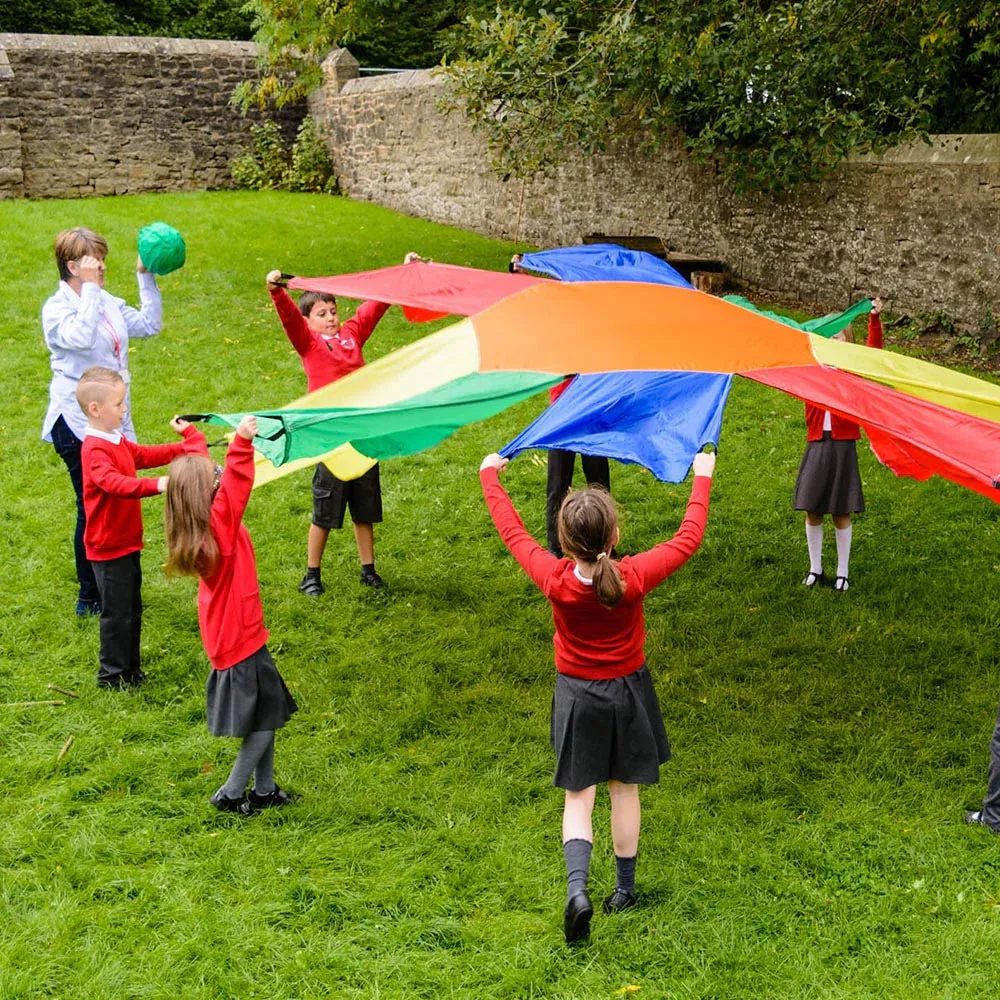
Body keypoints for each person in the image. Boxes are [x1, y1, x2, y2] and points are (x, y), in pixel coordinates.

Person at [479, 448, 716, 943]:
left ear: (564, 542)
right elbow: (687, 539)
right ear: (615, 536)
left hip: (576, 698)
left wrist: (490, 476)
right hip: (628, 693)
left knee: (579, 797)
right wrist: (702, 477)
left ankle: (577, 890)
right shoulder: (632, 577)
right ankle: (624, 891)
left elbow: (512, 533)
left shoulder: (554, 579)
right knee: (623, 788)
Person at [164, 415, 298, 814]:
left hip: (234, 634)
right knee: (265, 722)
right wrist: (241, 443)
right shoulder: (219, 529)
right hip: (240, 639)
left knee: (266, 711)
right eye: (213, 475)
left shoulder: (199, 522)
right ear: (207, 495)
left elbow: (202, 478)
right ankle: (231, 793)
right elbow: (236, 487)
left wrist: (193, 437)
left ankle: (264, 790)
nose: (218, 473)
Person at [266, 253, 418, 593]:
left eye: (333, 311)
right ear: (309, 322)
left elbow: (375, 306)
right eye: (322, 314)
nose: (331, 318)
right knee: (325, 510)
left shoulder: (352, 334)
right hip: (330, 441)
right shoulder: (308, 343)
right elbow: (290, 318)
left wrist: (404, 270)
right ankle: (312, 574)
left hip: (362, 436)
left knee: (365, 509)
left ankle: (368, 570)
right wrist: (276, 291)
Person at [42, 226, 165, 617]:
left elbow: (149, 324)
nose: (102, 266)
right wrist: (92, 292)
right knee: (92, 505)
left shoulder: (107, 300)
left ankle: (123, 588)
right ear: (73, 266)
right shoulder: (56, 309)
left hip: (112, 420)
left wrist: (146, 275)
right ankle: (90, 595)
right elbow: (80, 337)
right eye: (94, 259)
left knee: (122, 504)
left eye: (103, 257)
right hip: (76, 423)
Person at [77, 367, 203, 689]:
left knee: (132, 609)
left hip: (127, 542)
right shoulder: (93, 449)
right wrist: (157, 484)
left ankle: (131, 670)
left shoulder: (115, 438)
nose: (125, 409)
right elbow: (114, 483)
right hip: (108, 548)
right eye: (119, 404)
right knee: (117, 615)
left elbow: (143, 455)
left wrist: (183, 448)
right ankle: (112, 676)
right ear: (96, 409)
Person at [795, 296, 883, 591]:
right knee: (813, 507)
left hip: (844, 445)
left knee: (841, 511)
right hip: (818, 443)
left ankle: (842, 572)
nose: (834, 338)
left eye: (840, 333)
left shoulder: (853, 373)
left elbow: (875, 354)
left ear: (849, 340)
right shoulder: (813, 370)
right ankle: (815, 568)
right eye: (829, 333)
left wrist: (873, 319)